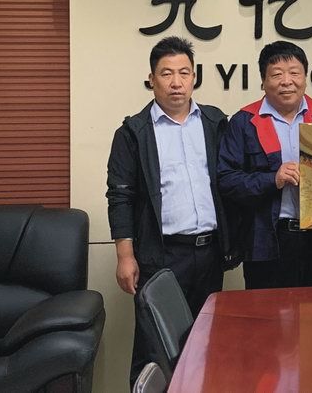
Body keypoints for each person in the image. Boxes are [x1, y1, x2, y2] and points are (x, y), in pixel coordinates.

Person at [106, 36, 232, 388]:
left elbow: (233, 183)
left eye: (184, 73)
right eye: (166, 74)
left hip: (209, 253)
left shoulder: (215, 123)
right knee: (155, 349)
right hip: (159, 256)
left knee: (206, 342)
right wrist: (125, 256)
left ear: (194, 77)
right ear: (151, 79)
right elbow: (120, 196)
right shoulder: (133, 132)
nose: (176, 82)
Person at [218, 41, 312, 289]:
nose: (287, 81)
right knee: (268, 311)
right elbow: (226, 180)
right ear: (263, 81)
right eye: (277, 74)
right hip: (266, 241)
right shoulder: (244, 122)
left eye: (294, 73)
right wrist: (272, 179)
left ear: (305, 77)